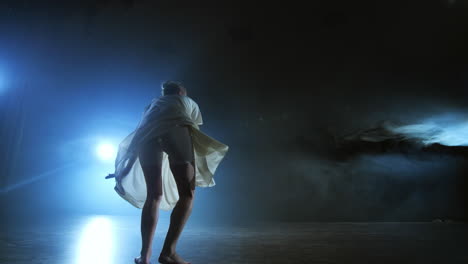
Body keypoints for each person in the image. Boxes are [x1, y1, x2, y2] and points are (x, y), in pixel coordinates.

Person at [106, 81, 229, 264]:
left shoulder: (151, 105)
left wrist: (123, 169)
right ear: (181, 92)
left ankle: (144, 256)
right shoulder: (188, 102)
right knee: (187, 194)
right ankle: (168, 252)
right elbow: (191, 127)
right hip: (177, 132)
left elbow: (140, 133)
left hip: (146, 138)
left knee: (153, 196)